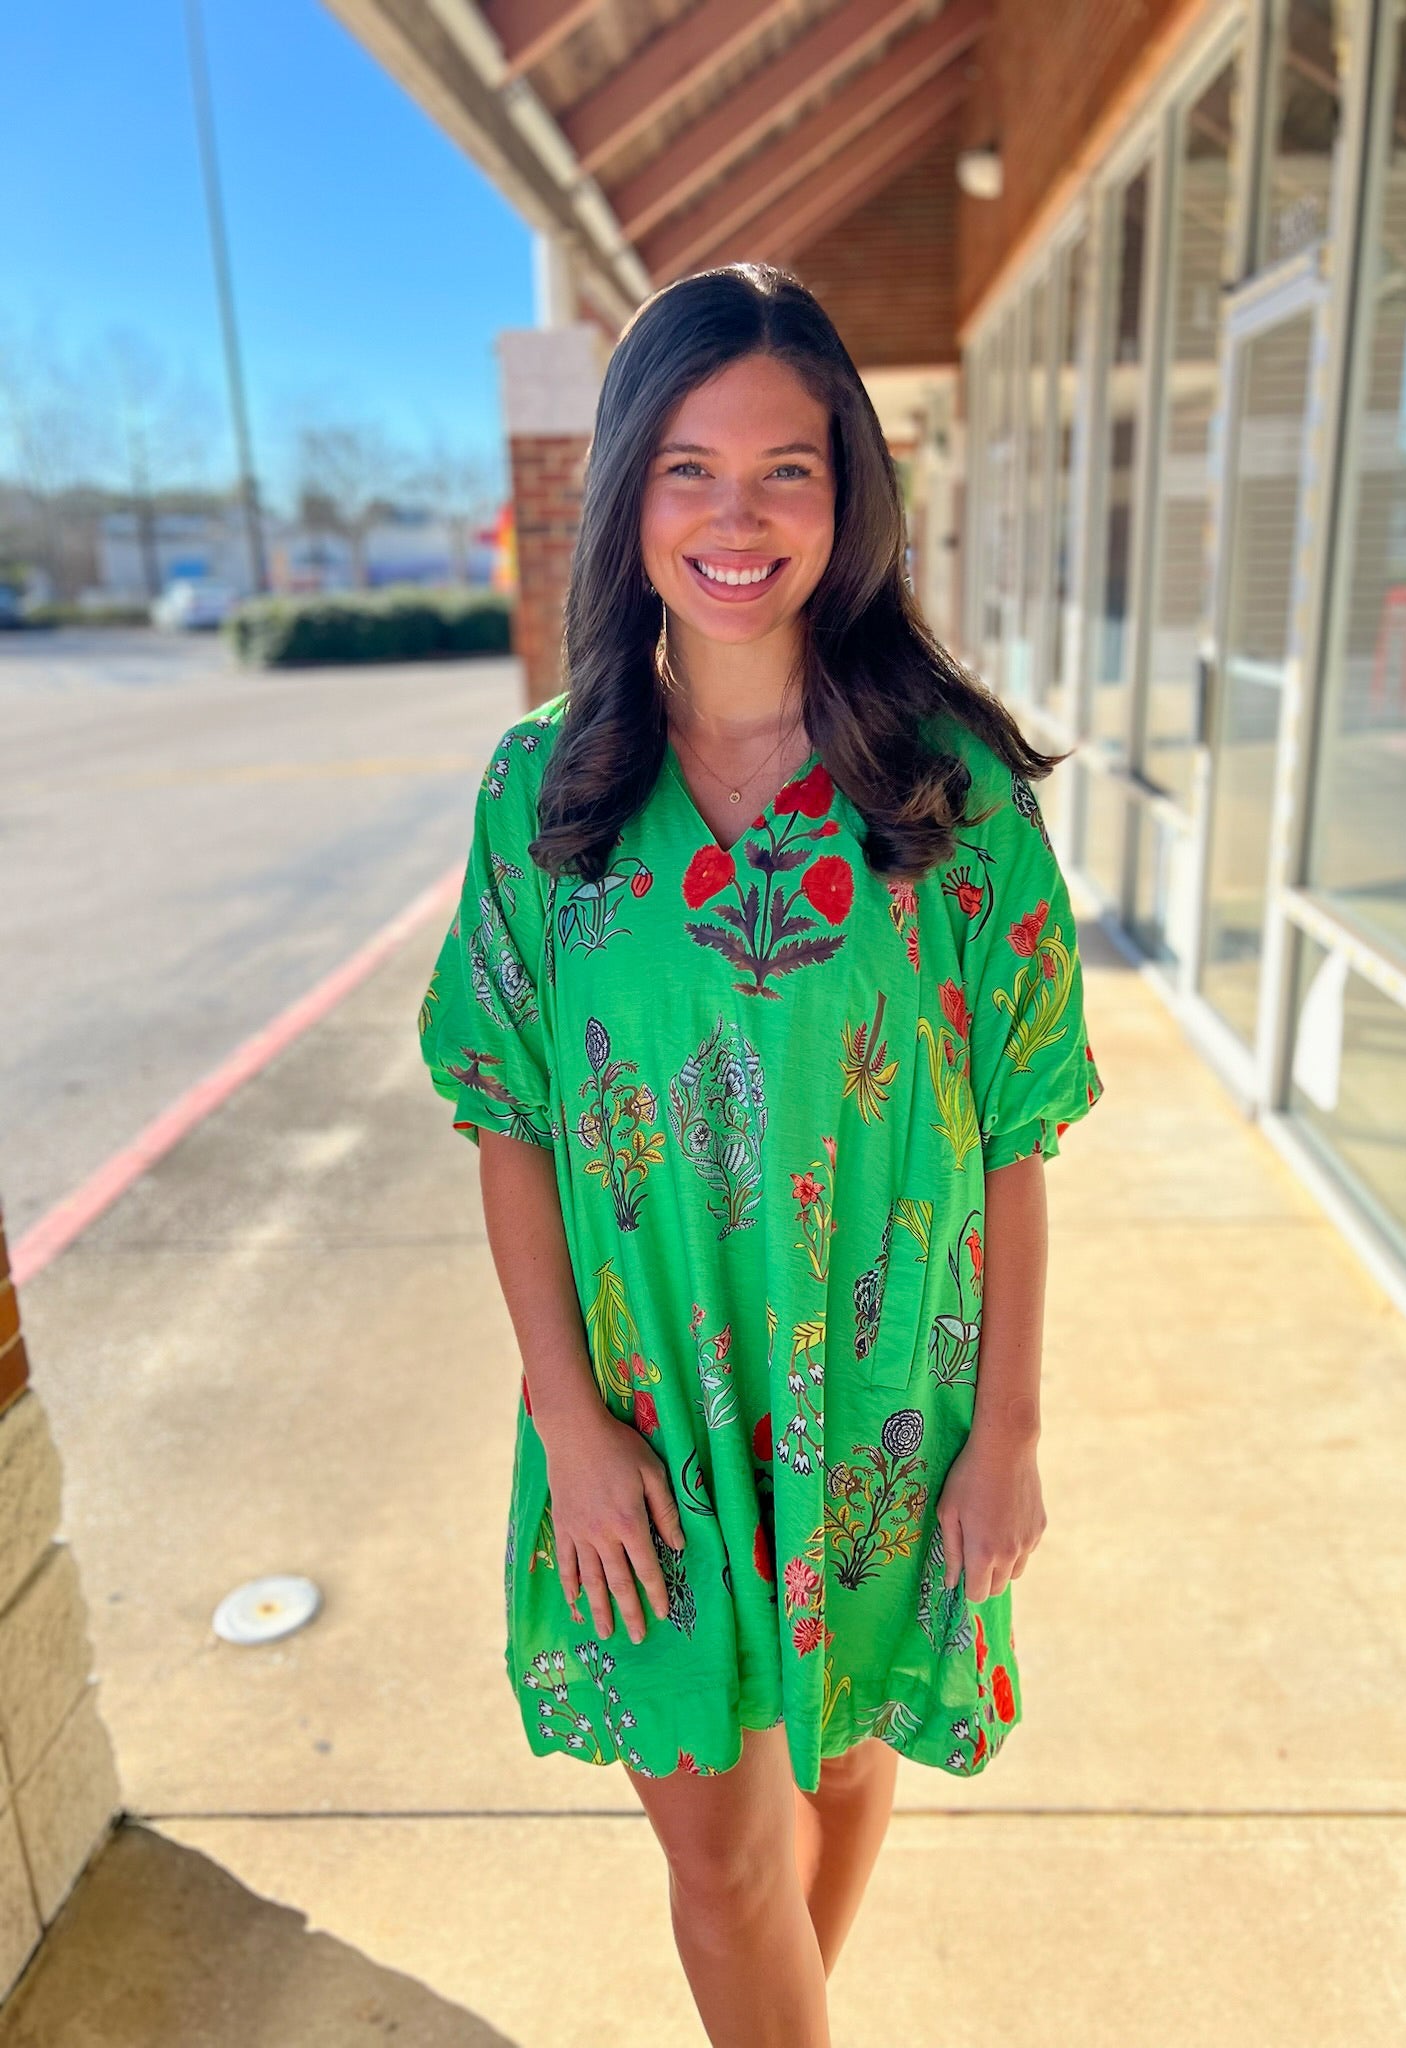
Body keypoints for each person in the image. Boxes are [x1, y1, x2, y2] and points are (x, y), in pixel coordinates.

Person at [419, 262, 1105, 2047]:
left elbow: (1019, 1137)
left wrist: (1010, 1432)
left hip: (888, 1404)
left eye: (786, 469)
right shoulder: (543, 795)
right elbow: (507, 1119)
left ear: (848, 492)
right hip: (648, 1423)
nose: (737, 517)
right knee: (722, 1859)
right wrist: (568, 1424)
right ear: (628, 490)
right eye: (689, 469)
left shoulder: (947, 796)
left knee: (852, 1748)